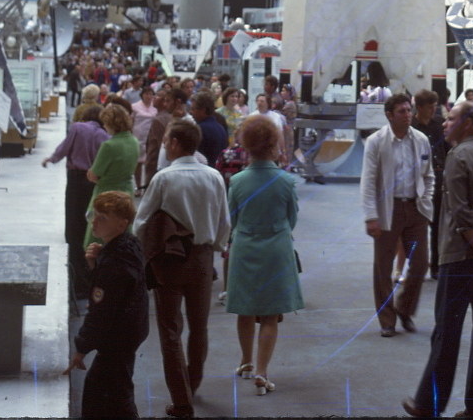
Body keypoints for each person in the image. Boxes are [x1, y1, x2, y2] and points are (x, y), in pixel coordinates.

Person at [402, 101, 473, 420]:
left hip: (461, 256)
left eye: (451, 118)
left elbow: (462, 216)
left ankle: (428, 404)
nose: (444, 123)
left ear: (467, 123)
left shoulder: (458, 157)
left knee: (447, 331)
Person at [133, 119, 232, 419]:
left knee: (170, 329)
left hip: (169, 259)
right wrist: (211, 248)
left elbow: (141, 222)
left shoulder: (163, 179)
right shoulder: (214, 176)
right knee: (199, 325)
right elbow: (224, 222)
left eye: (166, 140)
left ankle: (181, 399)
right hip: (202, 258)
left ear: (175, 143)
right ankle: (193, 381)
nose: (163, 144)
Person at [225, 115, 304, 397]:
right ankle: (262, 371)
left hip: (245, 246)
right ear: (272, 144)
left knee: (245, 308)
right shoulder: (286, 181)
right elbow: (291, 219)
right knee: (270, 315)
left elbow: (232, 219)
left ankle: (245, 362)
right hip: (276, 249)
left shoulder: (237, 181)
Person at [66, 190, 149, 418]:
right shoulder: (129, 246)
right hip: (130, 333)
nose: (94, 222)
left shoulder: (113, 262)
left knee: (105, 396)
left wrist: (81, 347)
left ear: (122, 225)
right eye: (94, 214)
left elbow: (100, 310)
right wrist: (96, 263)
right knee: (116, 392)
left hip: (118, 338)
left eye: (103, 218)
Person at [361, 92, 436, 337]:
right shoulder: (376, 142)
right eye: (402, 111)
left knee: (421, 263)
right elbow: (369, 181)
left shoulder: (421, 139)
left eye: (409, 110)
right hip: (387, 209)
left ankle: (404, 308)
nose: (408, 115)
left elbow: (429, 175)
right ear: (389, 115)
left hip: (415, 209)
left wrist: (425, 203)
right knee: (383, 266)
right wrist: (371, 216)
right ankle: (387, 320)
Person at [43, 103, 109, 299]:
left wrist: (51, 159)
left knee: (73, 228)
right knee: (88, 226)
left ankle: (77, 281)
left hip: (76, 180)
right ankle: (88, 278)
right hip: (94, 182)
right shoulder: (105, 136)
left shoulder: (78, 128)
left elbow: (64, 149)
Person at [85, 104, 139, 248]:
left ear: (111, 123)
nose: (103, 125)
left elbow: (94, 175)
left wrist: (93, 175)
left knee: (98, 237)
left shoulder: (109, 146)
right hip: (127, 191)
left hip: (107, 194)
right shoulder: (134, 142)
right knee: (122, 236)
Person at [414, 89, 447, 278]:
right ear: (419, 107)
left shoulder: (439, 124)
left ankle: (436, 266)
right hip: (418, 181)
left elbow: (447, 147)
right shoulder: (412, 127)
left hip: (439, 178)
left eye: (435, 106)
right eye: (429, 107)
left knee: (438, 226)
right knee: (418, 225)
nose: (433, 110)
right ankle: (416, 266)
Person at [191, 91, 229, 168]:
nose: (190, 112)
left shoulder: (200, 129)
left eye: (193, 109)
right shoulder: (219, 127)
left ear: (203, 110)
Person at [131, 85, 158, 194]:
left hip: (150, 137)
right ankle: (138, 186)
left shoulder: (155, 107)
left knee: (150, 163)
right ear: (142, 95)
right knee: (138, 163)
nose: (149, 96)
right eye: (146, 94)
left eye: (151, 94)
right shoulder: (135, 106)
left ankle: (148, 186)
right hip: (138, 137)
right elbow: (131, 120)